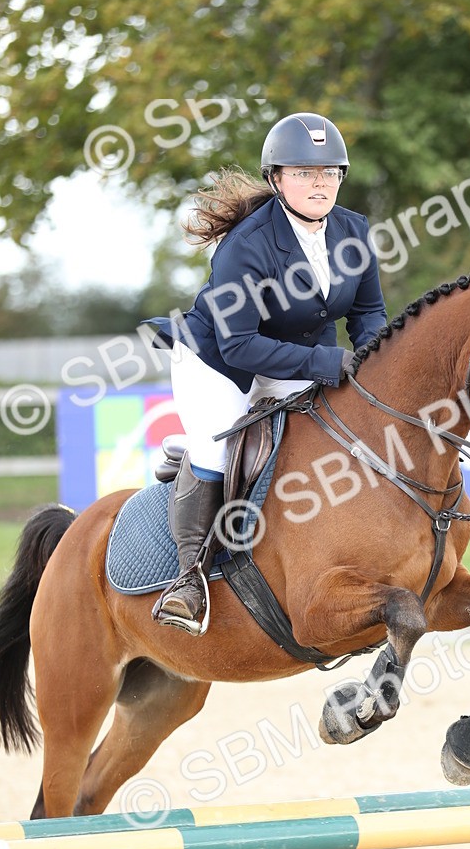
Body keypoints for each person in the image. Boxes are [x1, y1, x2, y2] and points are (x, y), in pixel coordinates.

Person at [146, 112, 388, 635]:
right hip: (220, 362)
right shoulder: (247, 244)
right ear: (276, 178)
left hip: (297, 357)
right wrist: (328, 363)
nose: (318, 182)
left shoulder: (354, 230)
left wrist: (372, 360)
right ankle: (189, 578)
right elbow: (240, 344)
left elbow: (368, 314)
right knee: (219, 446)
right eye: (303, 172)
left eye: (329, 172)